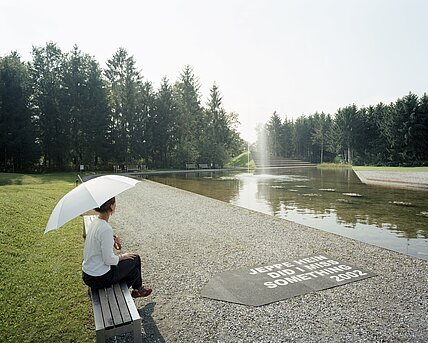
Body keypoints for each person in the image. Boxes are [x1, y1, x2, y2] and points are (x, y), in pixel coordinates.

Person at [82, 197, 152, 298]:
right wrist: (122, 256)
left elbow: (100, 245)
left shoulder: (96, 222)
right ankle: (135, 290)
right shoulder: (105, 229)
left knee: (134, 271)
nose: (115, 205)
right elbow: (108, 260)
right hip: (98, 278)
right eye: (115, 203)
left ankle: (137, 290)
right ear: (111, 206)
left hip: (88, 273)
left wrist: (112, 241)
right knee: (135, 258)